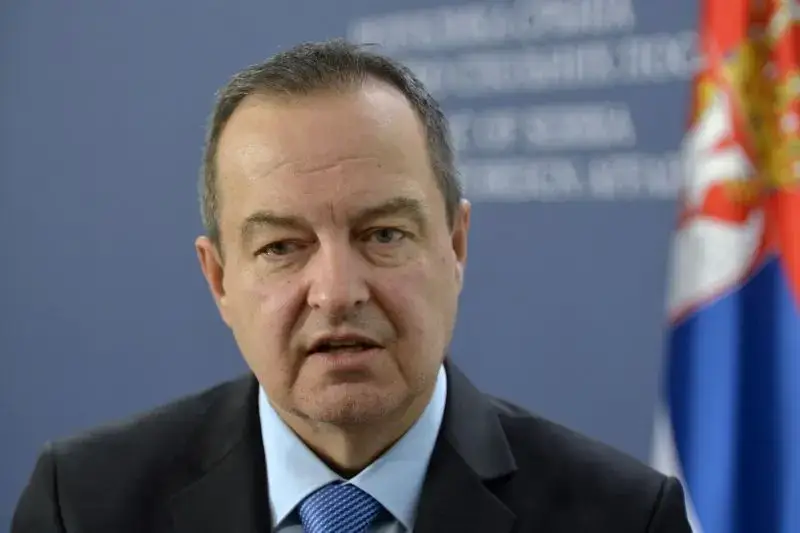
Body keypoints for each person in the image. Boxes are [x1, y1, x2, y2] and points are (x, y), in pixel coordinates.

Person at [12, 39, 691, 532]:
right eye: (282, 247)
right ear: (218, 280)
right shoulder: (84, 505)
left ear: (455, 246)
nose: (337, 292)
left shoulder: (625, 516)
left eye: (383, 234)